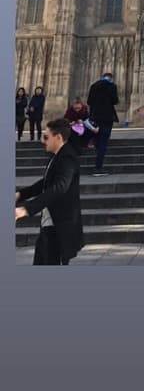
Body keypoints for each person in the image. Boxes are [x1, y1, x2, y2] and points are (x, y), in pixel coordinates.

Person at [15, 117, 84, 265]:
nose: (42, 141)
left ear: (58, 137)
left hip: (59, 228)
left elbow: (59, 188)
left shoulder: (67, 159)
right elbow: (45, 183)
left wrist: (27, 209)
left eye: (46, 137)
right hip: (48, 224)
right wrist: (21, 194)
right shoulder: (57, 156)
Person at [87, 72, 119, 175]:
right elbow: (115, 101)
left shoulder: (94, 86)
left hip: (95, 117)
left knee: (97, 140)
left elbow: (89, 101)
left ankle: (97, 161)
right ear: (111, 78)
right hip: (107, 117)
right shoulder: (112, 86)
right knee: (103, 143)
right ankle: (98, 167)